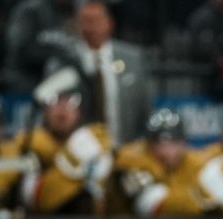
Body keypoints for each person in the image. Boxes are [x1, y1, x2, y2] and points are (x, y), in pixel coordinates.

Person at [43, 0, 150, 146]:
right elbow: (50, 115)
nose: (90, 26)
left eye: (96, 20)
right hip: (77, 154)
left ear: (109, 23)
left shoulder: (133, 60)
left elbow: (145, 110)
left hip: (125, 153)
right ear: (76, 24)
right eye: (85, 21)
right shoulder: (61, 62)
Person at [17, 89, 113, 216]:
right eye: (55, 100)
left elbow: (102, 203)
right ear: (45, 110)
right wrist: (71, 161)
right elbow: (33, 200)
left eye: (71, 101)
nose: (62, 108)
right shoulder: (28, 144)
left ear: (80, 112)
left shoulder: (94, 143)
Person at [110, 107, 206, 218]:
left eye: (173, 142)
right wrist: (201, 200)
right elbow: (152, 205)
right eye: (158, 143)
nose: (164, 151)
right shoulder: (132, 162)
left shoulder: (196, 164)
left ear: (183, 143)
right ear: (147, 144)